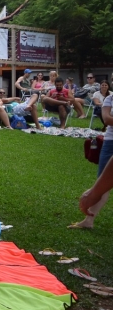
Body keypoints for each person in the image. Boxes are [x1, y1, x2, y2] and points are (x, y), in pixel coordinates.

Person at [70, 91, 113, 229]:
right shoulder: (109, 99)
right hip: (110, 142)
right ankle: (89, 220)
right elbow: (107, 119)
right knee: (103, 181)